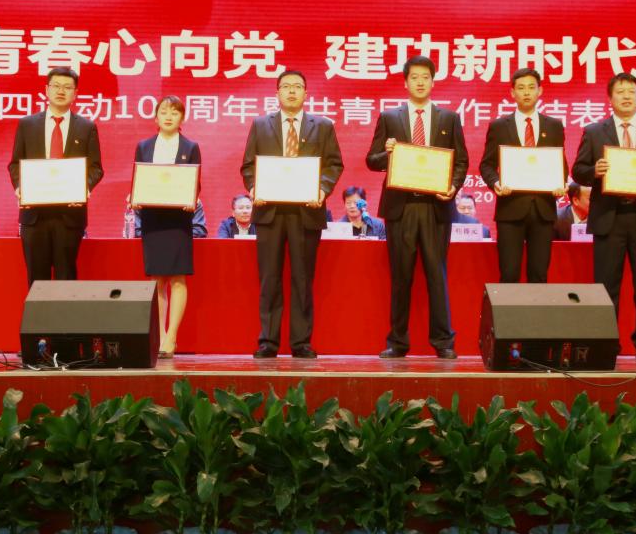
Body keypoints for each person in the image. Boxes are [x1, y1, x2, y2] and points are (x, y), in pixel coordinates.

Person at [366, 56, 468, 359]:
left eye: (425, 77)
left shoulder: (449, 118)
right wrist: (387, 153)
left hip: (436, 207)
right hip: (402, 207)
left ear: (433, 82)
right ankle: (397, 342)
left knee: (437, 275)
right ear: (406, 82)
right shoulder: (390, 117)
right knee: (401, 276)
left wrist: (453, 186)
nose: (420, 82)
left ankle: (444, 342)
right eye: (414, 77)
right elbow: (371, 160)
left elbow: (461, 161)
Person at [571, 73, 636, 361]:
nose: (626, 96)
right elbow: (578, 171)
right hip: (610, 217)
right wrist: (595, 171)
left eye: (631, 91)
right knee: (606, 286)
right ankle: (606, 344)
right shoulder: (595, 131)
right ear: (610, 98)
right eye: (620, 92)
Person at [241, 69, 344, 359]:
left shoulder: (322, 126)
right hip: (269, 212)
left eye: (297, 86)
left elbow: (334, 164)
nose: (291, 91)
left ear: (305, 93)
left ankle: (301, 342)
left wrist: (322, 190)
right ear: (277, 93)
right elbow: (248, 166)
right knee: (269, 279)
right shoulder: (260, 125)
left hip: (306, 212)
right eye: (285, 86)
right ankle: (268, 342)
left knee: (302, 279)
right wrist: (254, 188)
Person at [8, 67, 103, 284]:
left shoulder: (86, 127)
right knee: (36, 279)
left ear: (75, 93)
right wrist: (20, 187)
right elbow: (15, 164)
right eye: (56, 86)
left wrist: (84, 189)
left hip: (69, 215)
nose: (61, 91)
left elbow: (96, 168)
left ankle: (66, 310)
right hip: (34, 215)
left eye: (67, 87)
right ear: (46, 89)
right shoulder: (27, 124)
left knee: (66, 278)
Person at [480, 68, 565, 281]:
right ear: (512, 93)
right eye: (521, 88)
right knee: (509, 274)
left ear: (540, 91)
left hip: (543, 210)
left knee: (539, 274)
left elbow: (561, 164)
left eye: (531, 87)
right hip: (510, 208)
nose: (526, 92)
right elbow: (486, 165)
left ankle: (537, 306)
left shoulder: (554, 126)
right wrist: (496, 183)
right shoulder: (499, 126)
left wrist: (561, 184)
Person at [133, 95, 201, 358]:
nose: (169, 116)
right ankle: (160, 336)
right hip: (153, 218)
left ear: (182, 117)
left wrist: (191, 198)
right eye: (164, 111)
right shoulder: (144, 146)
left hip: (178, 219)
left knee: (178, 277)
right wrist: (135, 196)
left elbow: (195, 181)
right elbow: (138, 177)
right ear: (155, 117)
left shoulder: (190, 146)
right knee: (157, 279)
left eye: (174, 112)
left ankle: (172, 336)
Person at [135, 199, 207, 238]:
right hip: (149, 251)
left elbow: (199, 232)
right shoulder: (139, 201)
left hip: (183, 251)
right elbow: (136, 232)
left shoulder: (193, 202)